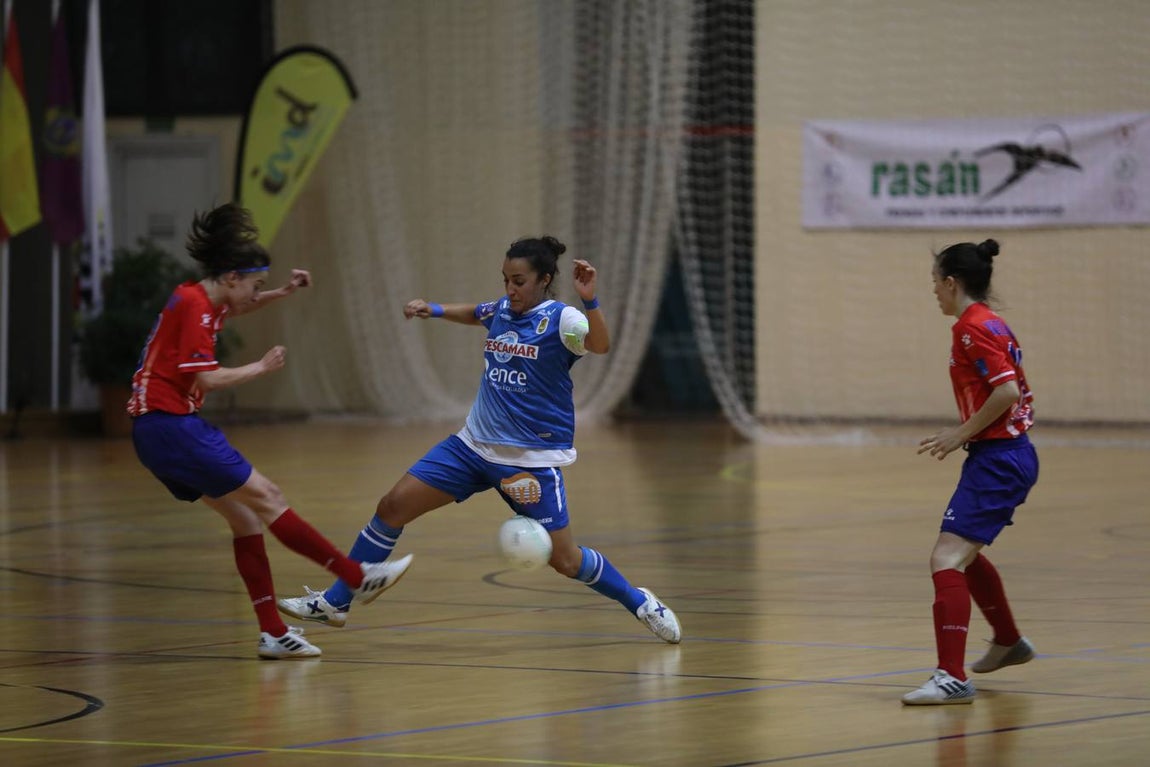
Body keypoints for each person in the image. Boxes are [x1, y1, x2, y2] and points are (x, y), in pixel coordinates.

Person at [278, 236, 681, 643]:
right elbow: (476, 313)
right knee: (392, 506)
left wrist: (590, 302)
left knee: (566, 560)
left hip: (529, 461)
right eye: (506, 279)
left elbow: (600, 344)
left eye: (519, 281)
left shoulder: (563, 319)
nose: (510, 289)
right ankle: (336, 602)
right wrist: (432, 309)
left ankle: (641, 602)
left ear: (544, 279)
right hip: (471, 447)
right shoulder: (504, 308)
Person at [127, 203, 413, 660]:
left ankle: (274, 634)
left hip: (156, 432)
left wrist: (280, 291)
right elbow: (207, 379)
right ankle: (357, 579)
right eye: (254, 285)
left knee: (244, 519)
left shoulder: (201, 299)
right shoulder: (196, 307)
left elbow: (237, 308)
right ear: (232, 277)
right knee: (269, 497)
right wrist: (260, 367)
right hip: (172, 427)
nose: (253, 294)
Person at [902, 238, 1039, 705]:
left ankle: (952, 676)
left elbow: (1005, 394)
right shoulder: (990, 323)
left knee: (945, 560)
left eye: (935, 283)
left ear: (952, 282)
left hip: (999, 458)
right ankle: (1008, 641)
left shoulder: (971, 328)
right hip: (1001, 456)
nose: (934, 292)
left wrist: (959, 433)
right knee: (965, 555)